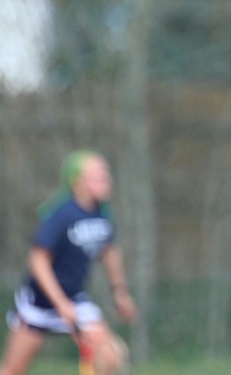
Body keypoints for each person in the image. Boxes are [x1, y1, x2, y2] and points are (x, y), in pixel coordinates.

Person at [1, 150, 137, 375]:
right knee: (13, 369)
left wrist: (120, 293)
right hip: (39, 303)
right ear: (77, 182)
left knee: (109, 355)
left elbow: (110, 252)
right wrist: (60, 302)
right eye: (98, 176)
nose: (107, 180)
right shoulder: (62, 214)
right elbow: (38, 261)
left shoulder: (101, 214)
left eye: (106, 175)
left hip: (74, 299)